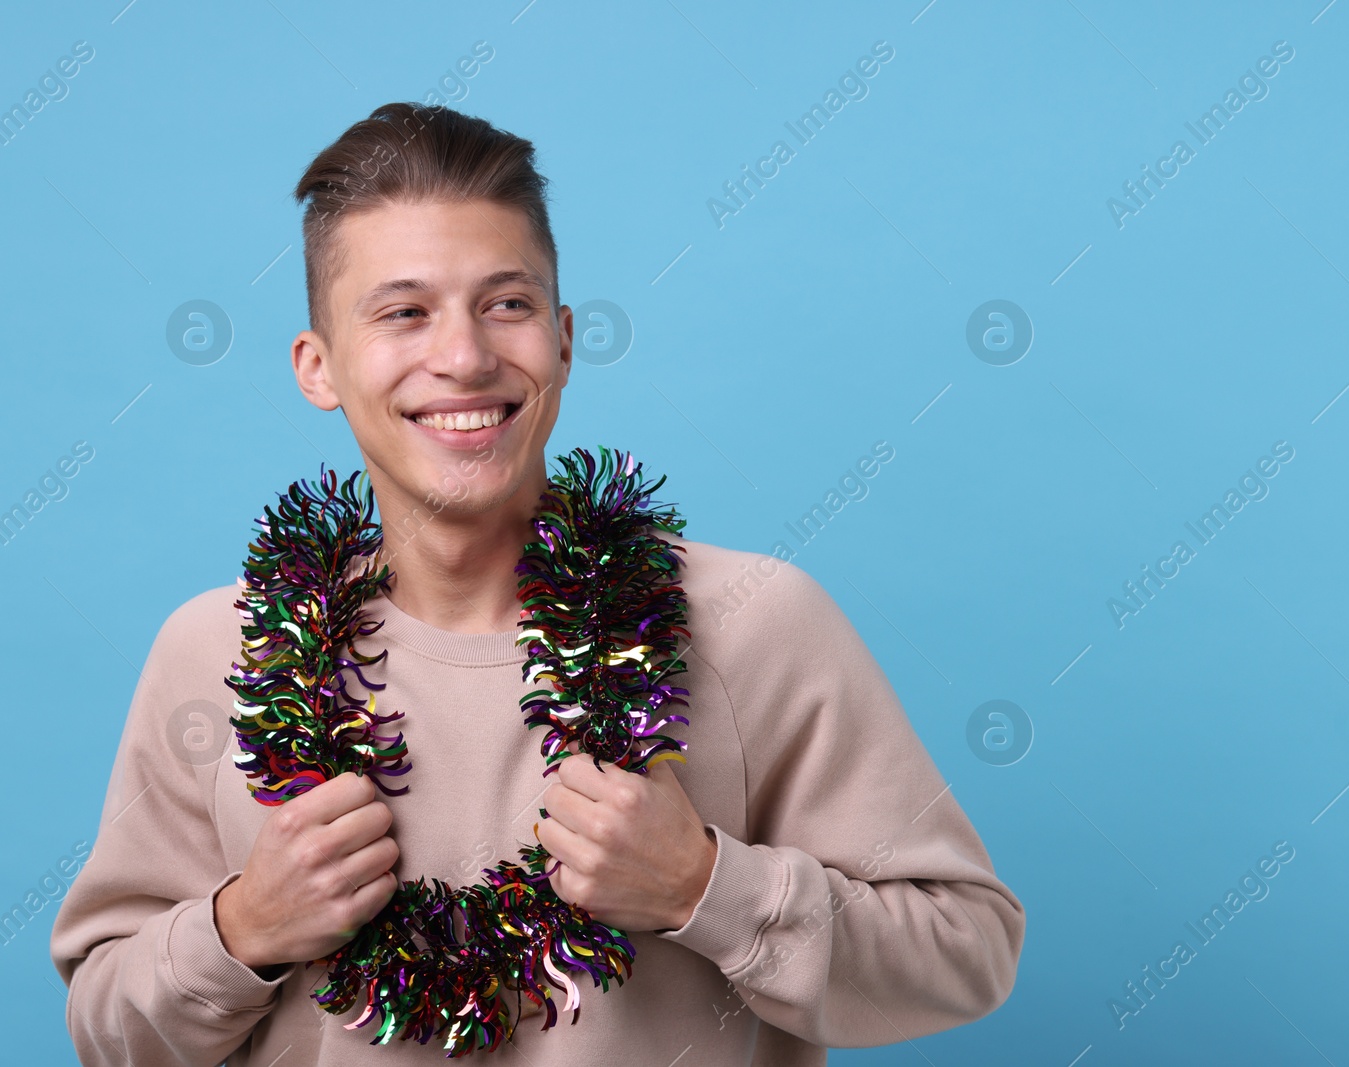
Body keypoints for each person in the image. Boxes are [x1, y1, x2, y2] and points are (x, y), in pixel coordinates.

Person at [50, 102, 1025, 1065]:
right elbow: (107, 1026)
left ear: (562, 338)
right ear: (319, 367)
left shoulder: (756, 623)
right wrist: (241, 930)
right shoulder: (218, 651)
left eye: (505, 304)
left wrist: (707, 888)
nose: (466, 356)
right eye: (403, 313)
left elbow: (966, 952)